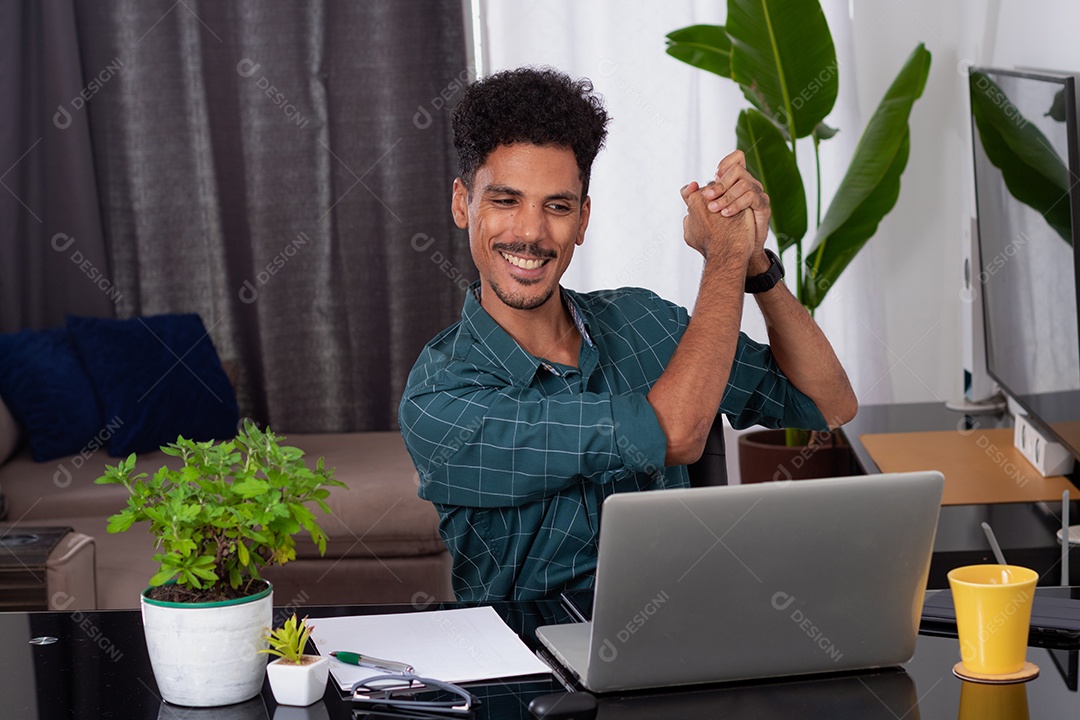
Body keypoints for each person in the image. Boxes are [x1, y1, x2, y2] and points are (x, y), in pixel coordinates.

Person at [398, 67, 857, 602]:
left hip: (687, 647)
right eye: (505, 201)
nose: (530, 232)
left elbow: (829, 403)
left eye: (557, 206)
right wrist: (725, 254)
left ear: (583, 219)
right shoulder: (440, 397)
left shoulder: (646, 322)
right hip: (529, 674)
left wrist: (755, 260)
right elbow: (675, 431)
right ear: (462, 204)